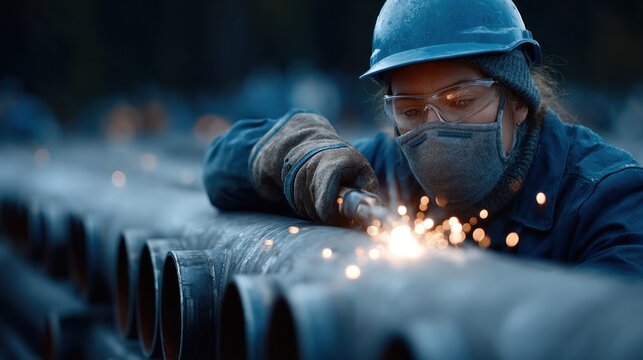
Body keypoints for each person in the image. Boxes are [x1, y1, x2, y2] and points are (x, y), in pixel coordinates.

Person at [202, 0, 643, 276]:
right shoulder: (379, 175)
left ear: (519, 99)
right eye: (412, 110)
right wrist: (301, 157)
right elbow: (220, 168)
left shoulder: (606, 198)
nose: (434, 127)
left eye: (459, 99)